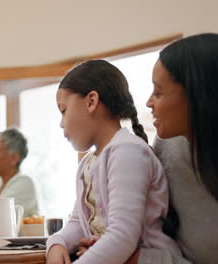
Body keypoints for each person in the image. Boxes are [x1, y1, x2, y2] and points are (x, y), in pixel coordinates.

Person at [46, 60, 181, 264]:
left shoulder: (128, 151)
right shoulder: (89, 163)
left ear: (91, 101)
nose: (61, 123)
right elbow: (78, 223)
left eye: (63, 111)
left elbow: (122, 237)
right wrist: (57, 243)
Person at [134, 33, 218, 263]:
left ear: (198, 96)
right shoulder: (167, 145)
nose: (149, 103)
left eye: (158, 92)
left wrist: (142, 259)